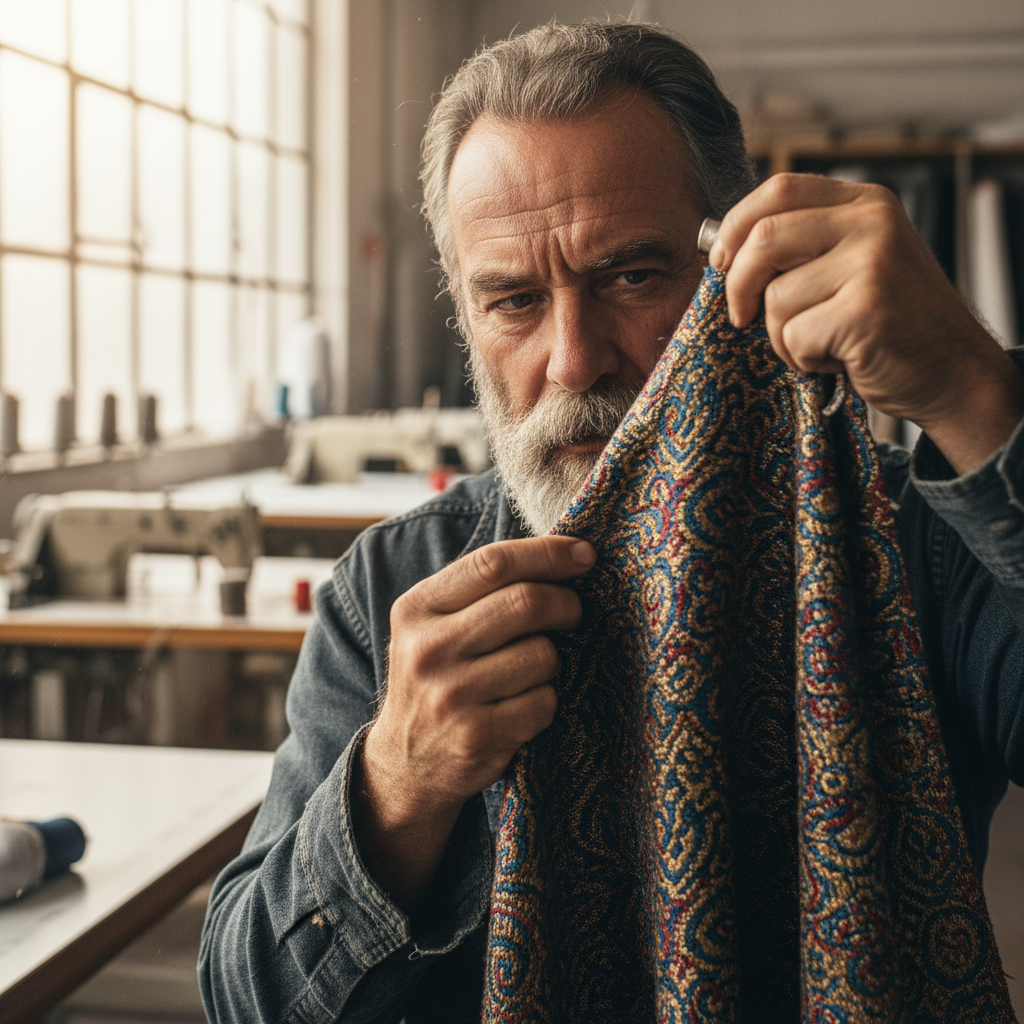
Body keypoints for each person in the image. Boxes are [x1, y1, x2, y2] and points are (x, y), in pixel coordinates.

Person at [199, 21, 1024, 1022]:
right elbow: (243, 999)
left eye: (631, 277)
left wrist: (973, 391)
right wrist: (397, 784)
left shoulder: (913, 543)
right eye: (513, 300)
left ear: (739, 263)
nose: (573, 359)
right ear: (465, 316)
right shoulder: (391, 594)